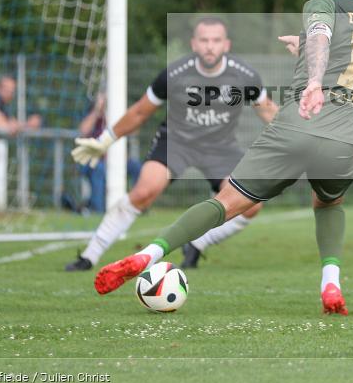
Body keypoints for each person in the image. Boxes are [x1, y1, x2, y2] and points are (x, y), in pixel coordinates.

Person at [93, 0, 353, 317]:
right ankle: (331, 283)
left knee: (226, 202)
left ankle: (146, 254)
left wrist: (312, 79)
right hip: (349, 132)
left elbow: (322, 35)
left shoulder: (321, 6)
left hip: (302, 119)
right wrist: (304, 51)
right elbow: (345, 59)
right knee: (328, 203)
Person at [65, 17, 278, 271]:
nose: (210, 46)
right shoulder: (175, 74)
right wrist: (105, 140)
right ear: (194, 44)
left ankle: (197, 243)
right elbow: (140, 112)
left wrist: (301, 139)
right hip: (176, 142)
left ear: (226, 45)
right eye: (204, 40)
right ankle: (89, 255)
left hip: (220, 147)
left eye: (216, 40)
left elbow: (268, 113)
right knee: (144, 191)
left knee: (251, 204)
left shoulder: (245, 76)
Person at [76, 92, 143, 213]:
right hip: (93, 161)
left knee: (137, 167)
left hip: (116, 159)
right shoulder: (91, 114)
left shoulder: (115, 115)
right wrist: (97, 111)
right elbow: (83, 130)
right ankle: (99, 209)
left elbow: (134, 131)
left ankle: (137, 206)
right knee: (99, 169)